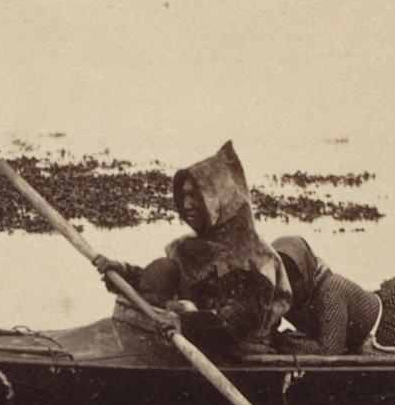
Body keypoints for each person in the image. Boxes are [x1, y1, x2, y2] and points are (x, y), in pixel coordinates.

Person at [94, 142, 291, 356]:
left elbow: (241, 318)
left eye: (195, 197)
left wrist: (185, 323)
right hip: (189, 339)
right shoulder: (190, 247)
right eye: (184, 196)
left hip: (241, 350)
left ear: (218, 199)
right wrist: (125, 274)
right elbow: (168, 283)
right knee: (163, 268)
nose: (187, 205)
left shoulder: (254, 256)